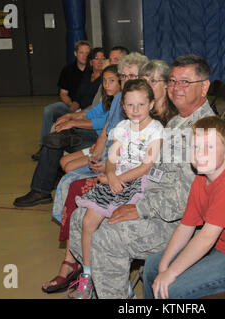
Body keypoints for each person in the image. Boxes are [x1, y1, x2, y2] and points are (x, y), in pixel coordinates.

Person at [68, 54, 215, 299]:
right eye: (173, 81)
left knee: (107, 236)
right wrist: (120, 181)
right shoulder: (177, 121)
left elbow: (187, 198)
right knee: (79, 218)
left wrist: (140, 208)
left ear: (204, 86)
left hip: (176, 222)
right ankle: (107, 285)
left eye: (185, 82)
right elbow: (152, 168)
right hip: (146, 195)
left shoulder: (205, 130)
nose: (176, 88)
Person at [41, 53, 150, 293]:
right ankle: (77, 261)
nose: (126, 80)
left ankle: (73, 263)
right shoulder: (122, 100)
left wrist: (110, 169)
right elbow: (109, 134)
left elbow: (144, 160)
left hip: (129, 180)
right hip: (112, 164)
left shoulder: (144, 108)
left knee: (72, 184)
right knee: (68, 176)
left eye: (132, 76)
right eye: (124, 76)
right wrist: (100, 159)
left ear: (145, 78)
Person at [143, 116, 225, 299]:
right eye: (195, 147)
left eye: (209, 147)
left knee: (172, 289)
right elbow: (186, 226)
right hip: (221, 245)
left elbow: (206, 238)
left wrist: (171, 273)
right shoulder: (201, 176)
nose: (200, 154)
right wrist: (164, 267)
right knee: (152, 267)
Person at [66, 79, 164, 299]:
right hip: (115, 180)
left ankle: (119, 285)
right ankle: (88, 276)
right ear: (123, 106)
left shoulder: (156, 130)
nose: (135, 110)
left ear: (151, 105)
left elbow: (146, 166)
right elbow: (112, 158)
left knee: (111, 229)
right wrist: (110, 175)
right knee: (87, 222)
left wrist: (117, 177)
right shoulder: (121, 128)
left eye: (140, 104)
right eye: (130, 105)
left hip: (138, 183)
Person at [32, 40, 91, 161]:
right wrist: (70, 107)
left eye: (87, 53)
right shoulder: (67, 70)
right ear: (75, 53)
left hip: (87, 109)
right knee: (49, 110)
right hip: (70, 106)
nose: (84, 56)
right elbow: (63, 94)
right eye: (81, 52)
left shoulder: (93, 71)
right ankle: (43, 146)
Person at [57, 64, 121, 173]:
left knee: (69, 166)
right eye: (104, 81)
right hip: (101, 142)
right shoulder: (109, 98)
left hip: (108, 146)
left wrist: (74, 122)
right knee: (63, 161)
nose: (106, 85)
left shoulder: (122, 101)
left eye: (111, 81)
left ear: (121, 81)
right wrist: (70, 116)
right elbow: (95, 112)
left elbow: (103, 123)